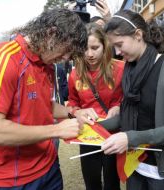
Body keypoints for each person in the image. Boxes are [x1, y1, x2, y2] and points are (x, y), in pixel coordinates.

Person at [0, 8, 89, 190]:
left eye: (70, 55)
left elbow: (40, 104)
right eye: (66, 50)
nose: (65, 58)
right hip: (10, 179)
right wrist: (56, 130)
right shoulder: (3, 58)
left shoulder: (46, 64)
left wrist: (73, 113)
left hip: (48, 166)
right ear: (51, 33)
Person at [101, 10, 164, 190]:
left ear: (138, 35)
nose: (117, 52)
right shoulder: (129, 70)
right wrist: (96, 126)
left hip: (162, 172)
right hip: (134, 164)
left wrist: (131, 138)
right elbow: (128, 114)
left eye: (119, 44)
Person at [67, 23, 124, 190]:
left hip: (113, 133)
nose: (89, 54)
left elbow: (132, 98)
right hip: (88, 135)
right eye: (85, 49)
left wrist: (120, 106)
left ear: (105, 46)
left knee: (112, 181)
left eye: (95, 48)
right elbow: (72, 103)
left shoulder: (121, 68)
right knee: (91, 182)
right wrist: (78, 111)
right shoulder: (75, 74)